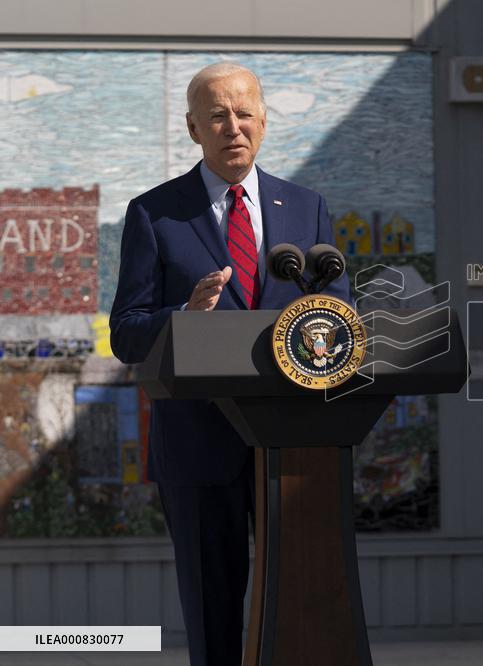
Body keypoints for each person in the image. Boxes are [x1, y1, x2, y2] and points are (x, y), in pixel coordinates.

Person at [110, 62, 351, 666]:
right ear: (194, 129)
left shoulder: (305, 207)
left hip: (296, 447)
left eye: (244, 113)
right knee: (215, 614)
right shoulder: (155, 214)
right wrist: (184, 317)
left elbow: (337, 313)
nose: (233, 126)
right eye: (217, 115)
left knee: (304, 606)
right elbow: (125, 333)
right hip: (198, 443)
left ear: (264, 123)